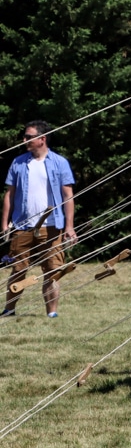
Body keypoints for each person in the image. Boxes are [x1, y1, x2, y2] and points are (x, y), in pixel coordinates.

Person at [2, 121, 77, 317]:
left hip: (52, 226)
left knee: (52, 271)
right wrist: (4, 224)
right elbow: (9, 195)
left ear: (41, 139)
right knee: (18, 269)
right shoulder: (18, 162)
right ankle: (9, 309)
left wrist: (69, 226)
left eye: (28, 137)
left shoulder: (60, 162)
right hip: (22, 226)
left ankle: (51, 314)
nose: (24, 140)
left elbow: (68, 195)